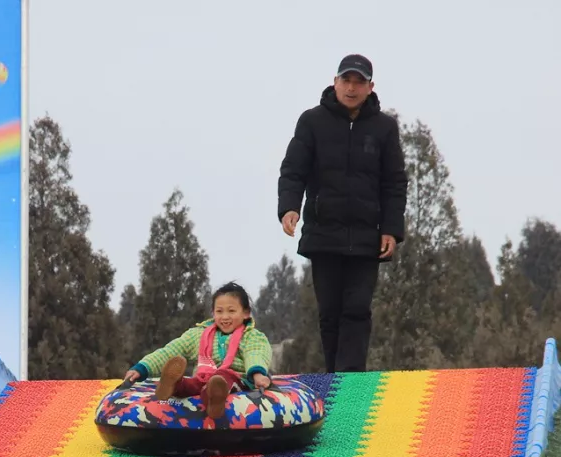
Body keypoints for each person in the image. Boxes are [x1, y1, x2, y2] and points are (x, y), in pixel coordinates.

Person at [277, 53, 408, 373]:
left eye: (358, 82)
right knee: (330, 311)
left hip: (367, 235)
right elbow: (293, 170)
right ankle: (335, 375)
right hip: (324, 232)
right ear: (335, 82)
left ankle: (350, 379)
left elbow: (395, 181)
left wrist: (391, 228)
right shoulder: (311, 121)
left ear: (370, 87)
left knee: (357, 308)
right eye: (346, 80)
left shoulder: (384, 128)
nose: (351, 88)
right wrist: (289, 207)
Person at [123, 282, 273, 418]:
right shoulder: (199, 335)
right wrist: (142, 367)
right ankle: (173, 385)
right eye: (219, 311)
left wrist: (258, 374)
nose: (225, 317)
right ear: (213, 313)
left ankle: (213, 399)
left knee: (221, 376)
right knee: (194, 383)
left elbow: (256, 353)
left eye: (231, 311)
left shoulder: (251, 336)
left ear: (246, 313)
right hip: (204, 378)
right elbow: (170, 350)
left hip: (237, 379)